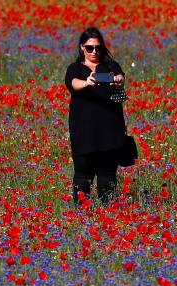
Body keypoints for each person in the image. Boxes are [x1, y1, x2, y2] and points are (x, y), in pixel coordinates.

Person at [64, 27, 127, 205]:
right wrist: (87, 82)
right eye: (90, 48)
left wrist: (119, 79)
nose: (94, 51)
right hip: (84, 133)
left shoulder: (111, 66)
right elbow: (73, 83)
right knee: (83, 176)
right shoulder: (75, 68)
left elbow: (120, 78)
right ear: (82, 47)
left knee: (108, 178)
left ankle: (108, 216)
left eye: (98, 48)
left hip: (110, 132)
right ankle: (82, 216)